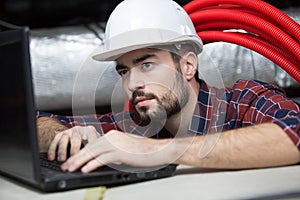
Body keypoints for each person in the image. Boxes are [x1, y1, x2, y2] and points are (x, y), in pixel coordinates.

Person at [37, 0, 300, 173]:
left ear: (187, 66)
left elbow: (295, 134)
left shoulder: (244, 101)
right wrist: (66, 136)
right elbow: (33, 124)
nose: (133, 84)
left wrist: (158, 151)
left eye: (147, 65)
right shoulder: (135, 127)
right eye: (124, 71)